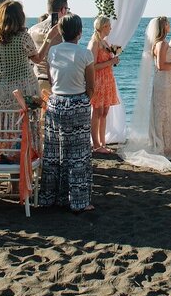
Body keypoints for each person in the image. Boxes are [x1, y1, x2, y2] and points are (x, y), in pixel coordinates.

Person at [0, 0, 51, 158]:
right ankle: (22, 168)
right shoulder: (22, 37)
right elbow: (37, 59)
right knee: (23, 130)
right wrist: (49, 39)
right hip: (22, 92)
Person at [40, 14, 96, 212]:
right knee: (78, 155)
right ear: (79, 33)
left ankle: (51, 197)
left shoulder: (53, 51)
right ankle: (79, 202)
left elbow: (50, 77)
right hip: (77, 102)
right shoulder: (85, 53)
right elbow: (91, 85)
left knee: (54, 152)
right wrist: (84, 99)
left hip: (55, 102)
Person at [148, 16, 171, 160]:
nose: (170, 25)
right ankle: (164, 147)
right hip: (164, 83)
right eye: (168, 23)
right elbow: (161, 66)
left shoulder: (158, 43)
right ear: (163, 27)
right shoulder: (162, 44)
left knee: (165, 113)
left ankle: (165, 145)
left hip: (165, 82)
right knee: (165, 113)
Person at [87, 14, 121, 154]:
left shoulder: (105, 42)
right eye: (109, 26)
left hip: (107, 79)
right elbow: (92, 66)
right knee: (97, 112)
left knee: (105, 112)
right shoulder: (95, 43)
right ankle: (96, 144)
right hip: (99, 80)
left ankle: (102, 142)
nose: (111, 28)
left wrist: (113, 60)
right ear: (103, 27)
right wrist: (110, 62)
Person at [28, 0, 69, 101]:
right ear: (63, 10)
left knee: (38, 116)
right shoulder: (63, 30)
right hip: (56, 80)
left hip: (36, 79)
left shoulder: (32, 29)